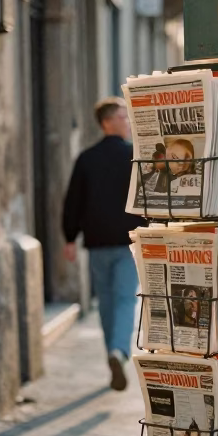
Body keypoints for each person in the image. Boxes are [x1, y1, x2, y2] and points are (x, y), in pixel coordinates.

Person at [62, 97, 138, 391]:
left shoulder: (86, 158)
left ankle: (113, 353)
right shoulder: (134, 156)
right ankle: (118, 352)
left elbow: (72, 203)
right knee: (123, 300)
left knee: (106, 304)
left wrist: (70, 237)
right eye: (122, 117)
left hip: (96, 245)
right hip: (127, 243)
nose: (128, 122)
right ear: (107, 122)